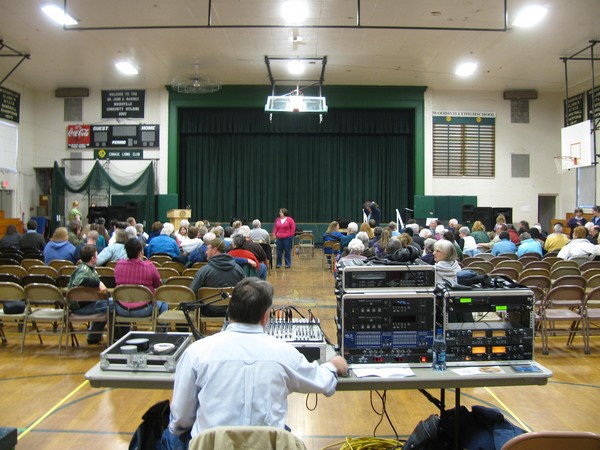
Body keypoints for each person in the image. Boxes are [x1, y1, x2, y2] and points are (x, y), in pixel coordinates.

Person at [162, 278, 348, 450]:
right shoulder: (284, 353)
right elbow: (322, 382)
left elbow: (181, 420)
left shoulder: (196, 352)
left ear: (230, 311)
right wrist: (333, 365)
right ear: (265, 317)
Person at [67, 244, 113, 345]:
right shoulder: (84, 269)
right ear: (93, 258)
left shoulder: (88, 268)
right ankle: (115, 338)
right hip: (79, 308)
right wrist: (98, 283)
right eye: (97, 255)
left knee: (107, 306)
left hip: (86, 304)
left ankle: (94, 337)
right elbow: (78, 281)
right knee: (114, 304)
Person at [189, 238, 246, 316]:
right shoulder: (239, 269)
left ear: (214, 250)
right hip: (233, 310)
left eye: (208, 249)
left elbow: (192, 292)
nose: (206, 252)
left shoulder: (204, 271)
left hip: (209, 310)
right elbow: (245, 291)